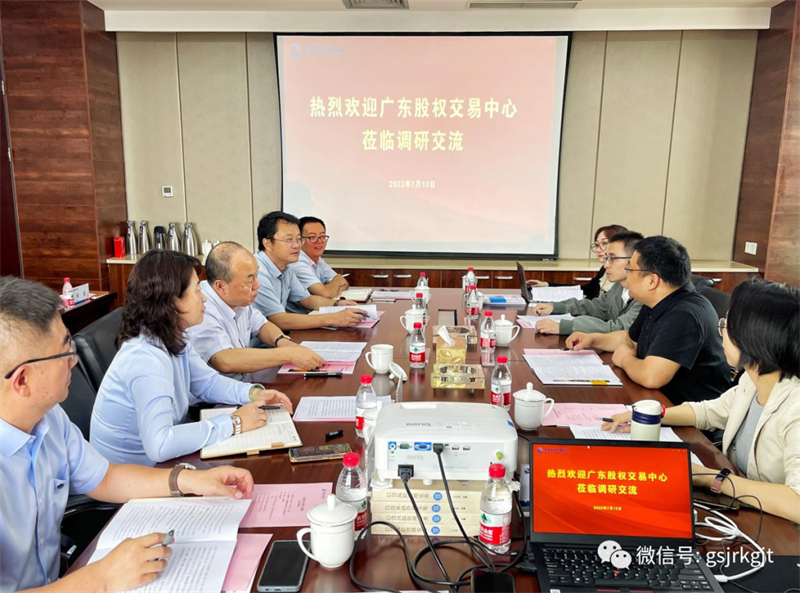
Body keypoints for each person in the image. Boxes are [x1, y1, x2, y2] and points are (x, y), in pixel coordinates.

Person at [0, 276, 256, 593]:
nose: (73, 361)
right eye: (64, 351)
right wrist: (102, 578)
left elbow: (106, 478)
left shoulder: (49, 417)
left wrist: (190, 480)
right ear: (22, 380)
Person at [603, 279, 799, 523]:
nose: (721, 332)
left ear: (752, 338)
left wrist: (711, 478)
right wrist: (652, 416)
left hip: (780, 531)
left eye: (725, 326)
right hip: (745, 510)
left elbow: (797, 502)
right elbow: (712, 411)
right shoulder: (753, 380)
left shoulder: (795, 406)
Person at [91, 250, 293, 466]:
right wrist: (234, 423)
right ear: (172, 301)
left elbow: (207, 382)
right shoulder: (146, 358)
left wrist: (253, 393)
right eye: (197, 290)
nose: (204, 298)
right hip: (132, 472)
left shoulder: (172, 335)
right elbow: (160, 444)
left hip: (159, 462)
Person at [567, 236, 731, 404]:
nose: (626, 274)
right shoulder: (657, 299)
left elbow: (651, 377)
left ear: (652, 281)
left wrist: (625, 359)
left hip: (687, 413)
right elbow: (630, 339)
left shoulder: (685, 314)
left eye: (630, 269)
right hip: (658, 400)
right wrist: (593, 339)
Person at [187, 242, 325, 380]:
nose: (257, 285)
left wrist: (282, 341)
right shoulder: (201, 308)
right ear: (221, 286)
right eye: (249, 280)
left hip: (246, 380)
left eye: (256, 276)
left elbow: (261, 325)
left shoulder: (235, 297)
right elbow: (225, 360)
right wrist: (287, 354)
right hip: (223, 389)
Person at [253, 211, 366, 331]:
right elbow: (279, 320)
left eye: (298, 239)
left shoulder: (286, 268)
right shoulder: (257, 272)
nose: (297, 245)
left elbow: (307, 299)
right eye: (289, 240)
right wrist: (334, 318)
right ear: (268, 243)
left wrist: (337, 305)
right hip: (258, 341)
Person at [533, 231, 643, 334]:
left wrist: (564, 327)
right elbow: (597, 307)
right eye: (607, 259)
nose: (606, 265)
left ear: (633, 260)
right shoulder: (619, 286)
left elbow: (619, 328)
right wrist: (557, 307)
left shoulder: (644, 296)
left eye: (612, 258)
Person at [528, 224, 628, 298]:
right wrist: (547, 285)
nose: (598, 249)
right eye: (597, 245)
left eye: (604, 243)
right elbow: (585, 289)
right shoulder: (604, 269)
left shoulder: (623, 276)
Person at [288, 216, 350, 299]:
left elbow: (345, 284)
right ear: (299, 240)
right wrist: (338, 279)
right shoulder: (297, 263)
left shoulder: (318, 260)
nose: (319, 241)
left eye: (322, 236)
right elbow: (326, 294)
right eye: (312, 237)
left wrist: (334, 285)